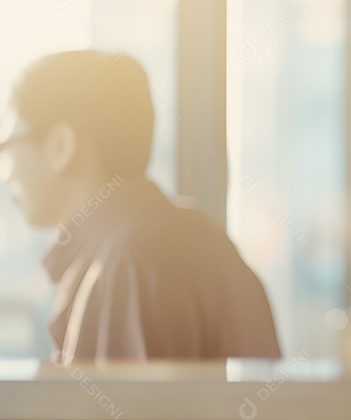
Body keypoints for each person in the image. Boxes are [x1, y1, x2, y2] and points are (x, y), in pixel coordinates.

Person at [0, 50, 280, 364]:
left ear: (61, 146)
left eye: (6, 146)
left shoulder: (128, 264)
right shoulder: (198, 237)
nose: (4, 172)